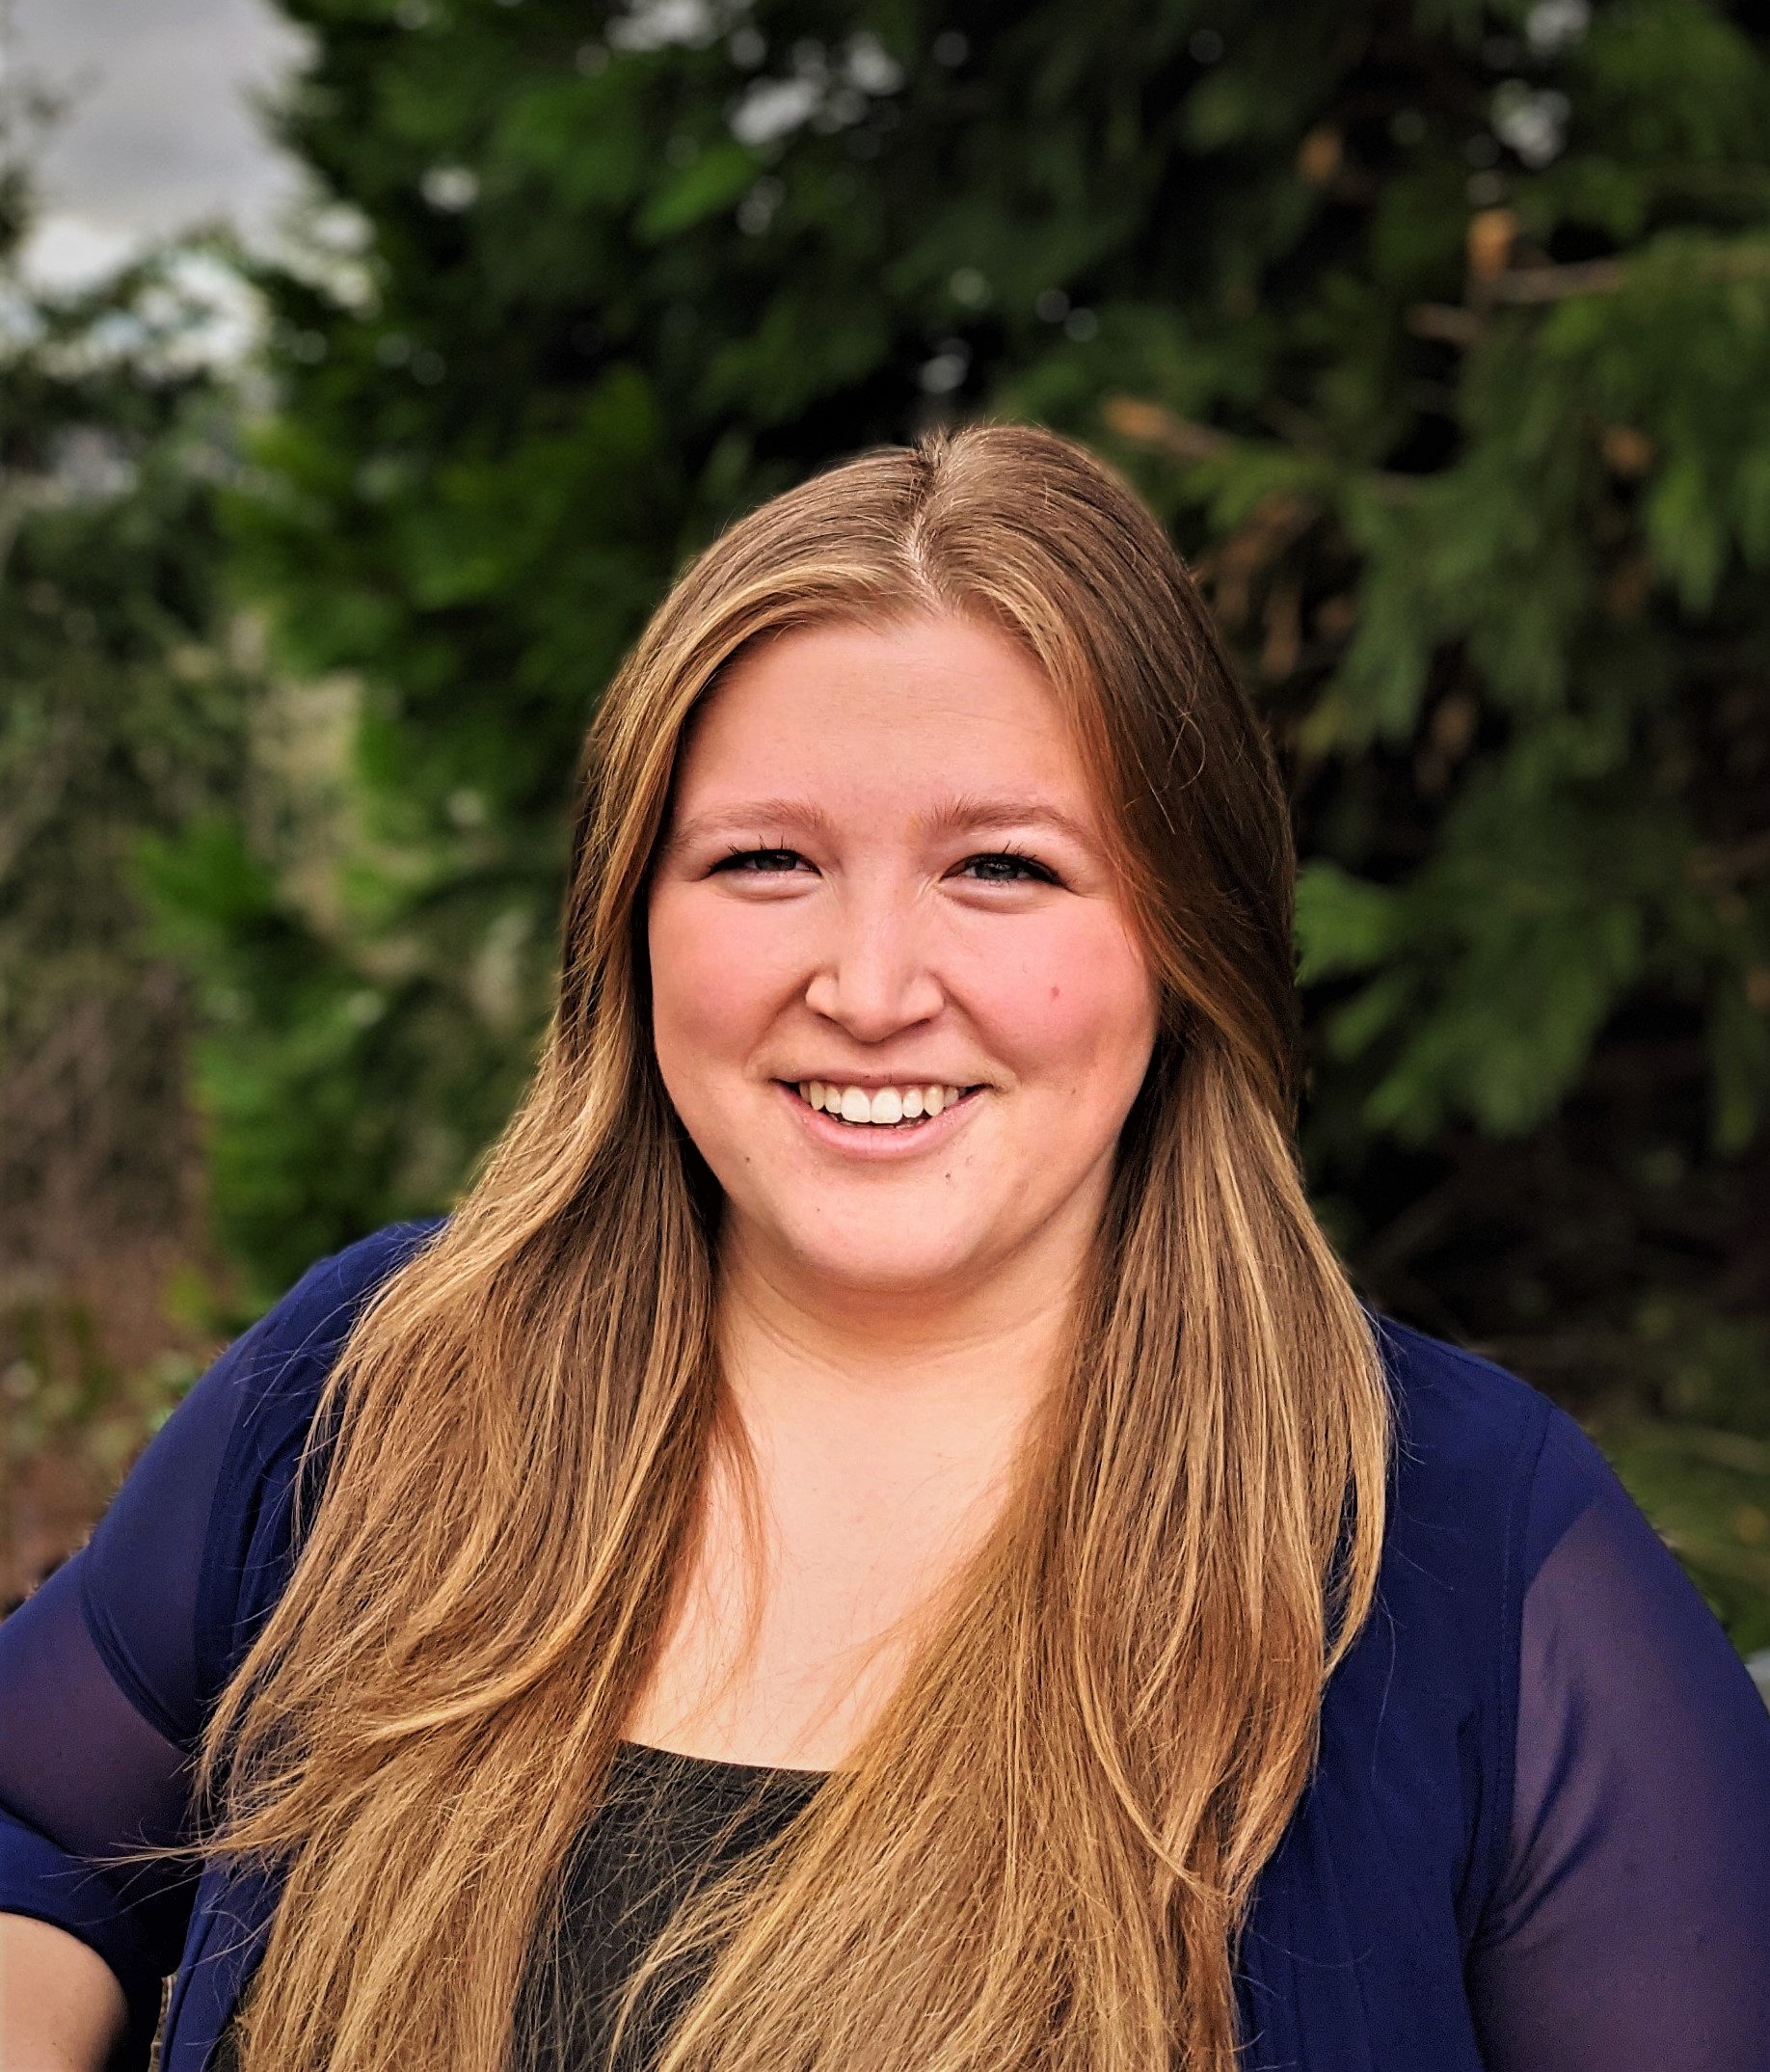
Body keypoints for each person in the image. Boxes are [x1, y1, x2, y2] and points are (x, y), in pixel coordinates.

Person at [2, 425, 1767, 2072]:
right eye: (767, 860)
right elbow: (37, 1817)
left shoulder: (1474, 1550)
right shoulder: (373, 1381)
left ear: (1187, 934)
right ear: (631, 919)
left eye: (1000, 868)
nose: (865, 986)